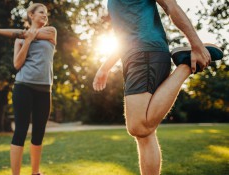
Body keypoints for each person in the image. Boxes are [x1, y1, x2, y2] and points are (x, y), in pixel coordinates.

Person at [93, 0, 223, 175]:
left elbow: (171, 5)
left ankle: (185, 65)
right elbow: (123, 37)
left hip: (145, 54)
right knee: (144, 135)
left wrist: (196, 45)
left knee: (138, 127)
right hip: (136, 57)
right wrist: (105, 68)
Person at [0, 3, 56, 175]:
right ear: (31, 15)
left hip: (45, 89)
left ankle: (35, 172)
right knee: (21, 131)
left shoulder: (51, 32)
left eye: (46, 13)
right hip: (23, 86)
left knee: (39, 132)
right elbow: (17, 64)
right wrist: (27, 41)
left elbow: (24, 33)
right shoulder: (20, 39)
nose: (45, 16)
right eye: (41, 12)